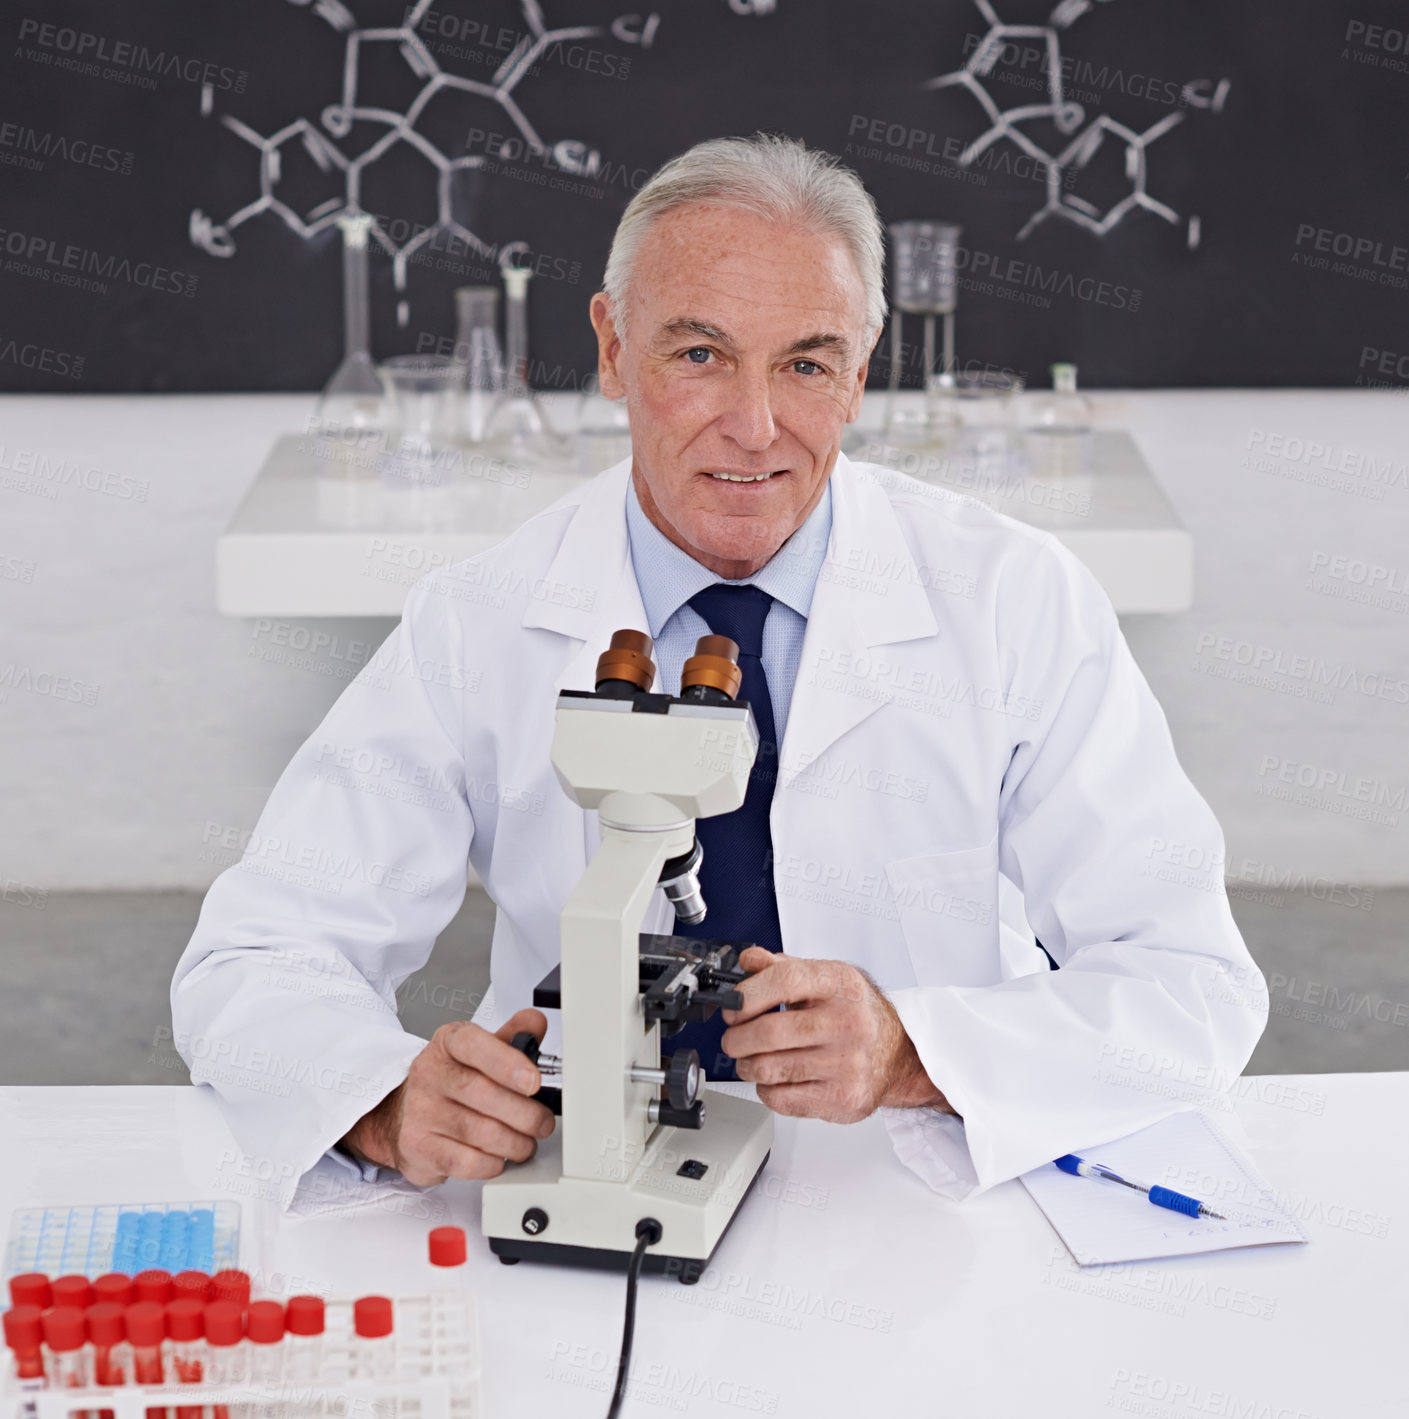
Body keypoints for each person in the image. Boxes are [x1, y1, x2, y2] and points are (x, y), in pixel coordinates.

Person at [171, 134, 1267, 1208]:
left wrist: (916, 1055)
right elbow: (257, 960)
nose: (753, 427)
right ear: (609, 350)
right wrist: (380, 1101)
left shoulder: (1013, 599)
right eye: (697, 355)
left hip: (910, 1195)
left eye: (805, 363)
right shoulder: (479, 621)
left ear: (858, 376)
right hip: (579, 1173)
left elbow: (1190, 985)